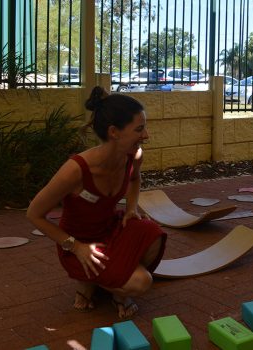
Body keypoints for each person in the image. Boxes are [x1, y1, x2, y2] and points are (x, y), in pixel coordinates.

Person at [26, 86, 166, 319]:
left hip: (111, 229)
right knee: (142, 282)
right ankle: (90, 282)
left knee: (153, 233)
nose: (146, 135)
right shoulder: (76, 169)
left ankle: (111, 290)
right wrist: (75, 246)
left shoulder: (134, 155)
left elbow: (135, 178)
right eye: (139, 129)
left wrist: (131, 208)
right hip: (80, 244)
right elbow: (34, 214)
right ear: (114, 132)